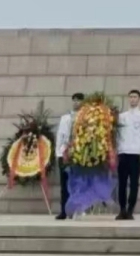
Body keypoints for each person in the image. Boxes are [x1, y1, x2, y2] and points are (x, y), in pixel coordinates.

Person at [116, 89, 140, 220]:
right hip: (123, 152)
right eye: (131, 97)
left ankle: (130, 210)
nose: (133, 99)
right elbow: (118, 135)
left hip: (135, 153)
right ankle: (122, 209)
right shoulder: (122, 116)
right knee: (122, 183)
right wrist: (118, 150)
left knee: (134, 183)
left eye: (135, 97)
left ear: (139, 99)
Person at [55, 92, 84, 220]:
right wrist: (59, 152)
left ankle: (77, 209)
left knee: (77, 183)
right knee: (64, 184)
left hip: (79, 154)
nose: (76, 102)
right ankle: (64, 211)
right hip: (64, 153)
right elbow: (60, 135)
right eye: (74, 100)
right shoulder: (65, 118)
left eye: (79, 100)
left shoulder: (87, 118)